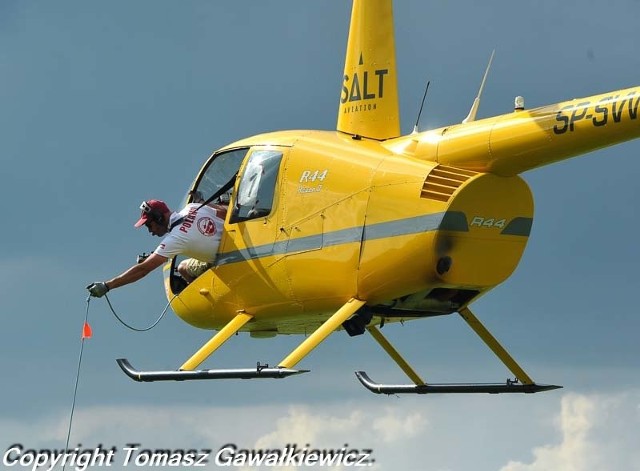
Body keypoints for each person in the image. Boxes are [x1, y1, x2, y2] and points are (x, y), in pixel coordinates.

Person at [87, 199, 226, 297]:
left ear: (159, 218)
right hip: (237, 245)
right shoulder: (193, 206)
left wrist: (108, 285)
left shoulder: (174, 239)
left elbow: (143, 270)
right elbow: (225, 213)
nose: (150, 231)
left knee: (183, 268)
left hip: (227, 262)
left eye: (149, 225)